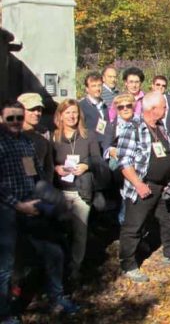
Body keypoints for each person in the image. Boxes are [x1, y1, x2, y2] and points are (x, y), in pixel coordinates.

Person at [0, 101, 79, 319]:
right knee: (5, 266)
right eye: (10, 118)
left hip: (31, 205)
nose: (15, 122)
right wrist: (18, 205)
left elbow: (34, 178)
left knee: (54, 252)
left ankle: (57, 298)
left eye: (18, 117)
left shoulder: (26, 143)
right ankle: (6, 315)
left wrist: (56, 200)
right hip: (6, 210)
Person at [117, 92, 170, 283]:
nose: (166, 110)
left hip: (162, 186)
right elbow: (124, 161)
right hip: (143, 186)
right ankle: (128, 264)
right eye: (164, 107)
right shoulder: (132, 127)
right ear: (153, 109)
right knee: (134, 226)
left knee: (169, 220)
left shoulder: (160, 126)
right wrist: (138, 184)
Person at [52, 99, 99, 280]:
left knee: (80, 232)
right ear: (60, 116)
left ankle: (75, 268)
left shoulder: (88, 136)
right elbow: (48, 163)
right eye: (68, 112)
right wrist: (56, 168)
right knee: (61, 232)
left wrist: (86, 166)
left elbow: (97, 160)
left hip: (81, 191)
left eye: (74, 112)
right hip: (60, 193)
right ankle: (59, 267)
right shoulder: (53, 137)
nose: (72, 116)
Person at [18, 92, 54, 183]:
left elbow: (49, 164)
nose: (37, 113)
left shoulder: (44, 132)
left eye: (39, 109)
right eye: (31, 109)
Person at [79, 71, 110, 145]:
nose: (97, 89)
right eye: (93, 86)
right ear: (87, 88)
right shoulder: (82, 106)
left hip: (104, 145)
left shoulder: (104, 105)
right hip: (90, 146)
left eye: (99, 85)